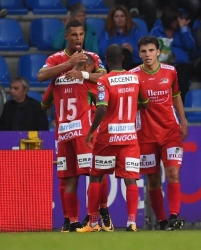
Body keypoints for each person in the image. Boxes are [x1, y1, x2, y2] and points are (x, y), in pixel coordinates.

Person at [38, 19, 107, 232]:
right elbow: (40, 76)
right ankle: (72, 221)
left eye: (81, 34)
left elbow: (104, 76)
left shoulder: (91, 58)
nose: (78, 38)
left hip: (84, 129)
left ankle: (96, 216)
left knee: (93, 173)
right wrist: (68, 64)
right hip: (64, 131)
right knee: (69, 178)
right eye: (74, 35)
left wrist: (84, 74)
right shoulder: (55, 59)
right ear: (66, 36)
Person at [77, 44, 149, 233]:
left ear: (106, 60)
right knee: (131, 180)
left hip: (108, 138)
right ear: (123, 58)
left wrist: (92, 130)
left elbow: (101, 108)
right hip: (130, 137)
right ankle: (131, 222)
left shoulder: (104, 80)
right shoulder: (136, 78)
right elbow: (145, 103)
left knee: (96, 176)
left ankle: (93, 222)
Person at [130, 36, 188, 230]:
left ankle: (173, 216)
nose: (147, 55)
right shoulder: (133, 76)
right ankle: (162, 221)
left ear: (158, 52)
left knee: (173, 173)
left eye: (151, 50)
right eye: (144, 51)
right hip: (144, 134)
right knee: (153, 179)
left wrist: (183, 120)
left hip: (170, 131)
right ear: (139, 54)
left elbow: (177, 95)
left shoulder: (170, 71)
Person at [150, 4, 196, 103]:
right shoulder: (155, 31)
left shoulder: (183, 30)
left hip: (181, 65)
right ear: (168, 19)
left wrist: (184, 29)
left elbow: (191, 47)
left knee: (182, 79)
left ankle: (181, 109)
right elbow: (149, 50)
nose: (178, 22)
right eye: (175, 19)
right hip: (160, 65)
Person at [98, 5, 145, 71]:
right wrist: (119, 49)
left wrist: (132, 50)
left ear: (126, 17)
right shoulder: (106, 33)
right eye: (116, 16)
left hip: (134, 65)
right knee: (124, 52)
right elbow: (102, 52)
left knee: (126, 53)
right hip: (113, 67)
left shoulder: (135, 31)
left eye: (122, 16)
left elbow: (144, 53)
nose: (120, 19)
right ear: (112, 18)